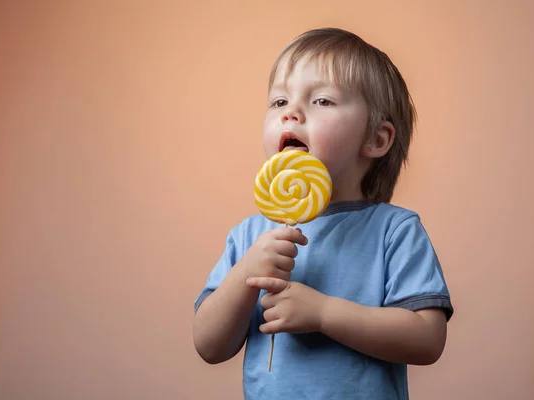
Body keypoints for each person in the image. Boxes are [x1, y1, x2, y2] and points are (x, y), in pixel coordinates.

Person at [192, 27, 454, 399]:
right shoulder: (249, 238)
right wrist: (247, 273)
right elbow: (209, 345)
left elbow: (427, 340)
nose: (291, 114)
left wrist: (324, 314)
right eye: (279, 102)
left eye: (323, 101)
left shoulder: (394, 231)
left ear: (376, 139)